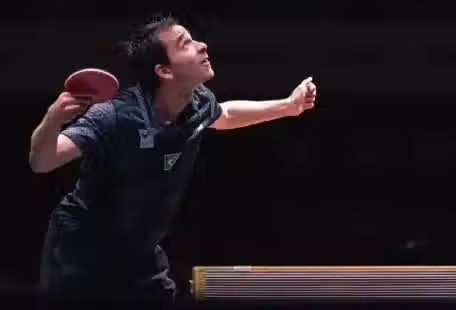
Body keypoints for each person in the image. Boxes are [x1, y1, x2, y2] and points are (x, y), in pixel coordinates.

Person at [28, 16, 317, 305]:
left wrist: (287, 106)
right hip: (81, 255)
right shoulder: (114, 117)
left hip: (139, 255)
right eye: (185, 44)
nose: (202, 46)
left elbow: (225, 115)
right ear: (164, 70)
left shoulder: (199, 103)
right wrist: (53, 119)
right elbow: (42, 161)